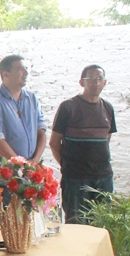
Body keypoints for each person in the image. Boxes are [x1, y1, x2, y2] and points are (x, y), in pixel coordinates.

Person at [0, 54, 47, 223]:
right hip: (5, 179)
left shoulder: (31, 98)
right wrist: (21, 165)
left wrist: (35, 161)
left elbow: (42, 131)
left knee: (26, 227)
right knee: (2, 227)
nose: (25, 73)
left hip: (30, 177)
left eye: (26, 69)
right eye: (20, 69)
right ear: (5, 74)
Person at [50, 65, 117, 224]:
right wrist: (66, 165)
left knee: (101, 224)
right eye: (91, 79)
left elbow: (105, 140)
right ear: (82, 82)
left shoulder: (107, 108)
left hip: (103, 177)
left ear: (105, 82)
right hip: (76, 178)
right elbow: (54, 143)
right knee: (76, 225)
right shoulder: (68, 107)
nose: (96, 82)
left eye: (99, 79)